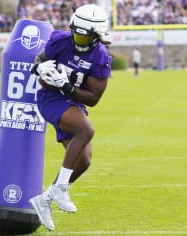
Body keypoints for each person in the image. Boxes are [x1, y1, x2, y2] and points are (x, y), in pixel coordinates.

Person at [29, 4, 112, 231]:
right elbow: (39, 60)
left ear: (96, 37)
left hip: (72, 100)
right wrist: (38, 69)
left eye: (84, 38)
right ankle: (61, 188)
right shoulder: (60, 41)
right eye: (76, 34)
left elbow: (93, 98)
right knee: (86, 130)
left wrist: (66, 86)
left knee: (83, 161)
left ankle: (44, 200)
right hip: (50, 98)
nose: (78, 40)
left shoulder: (100, 56)